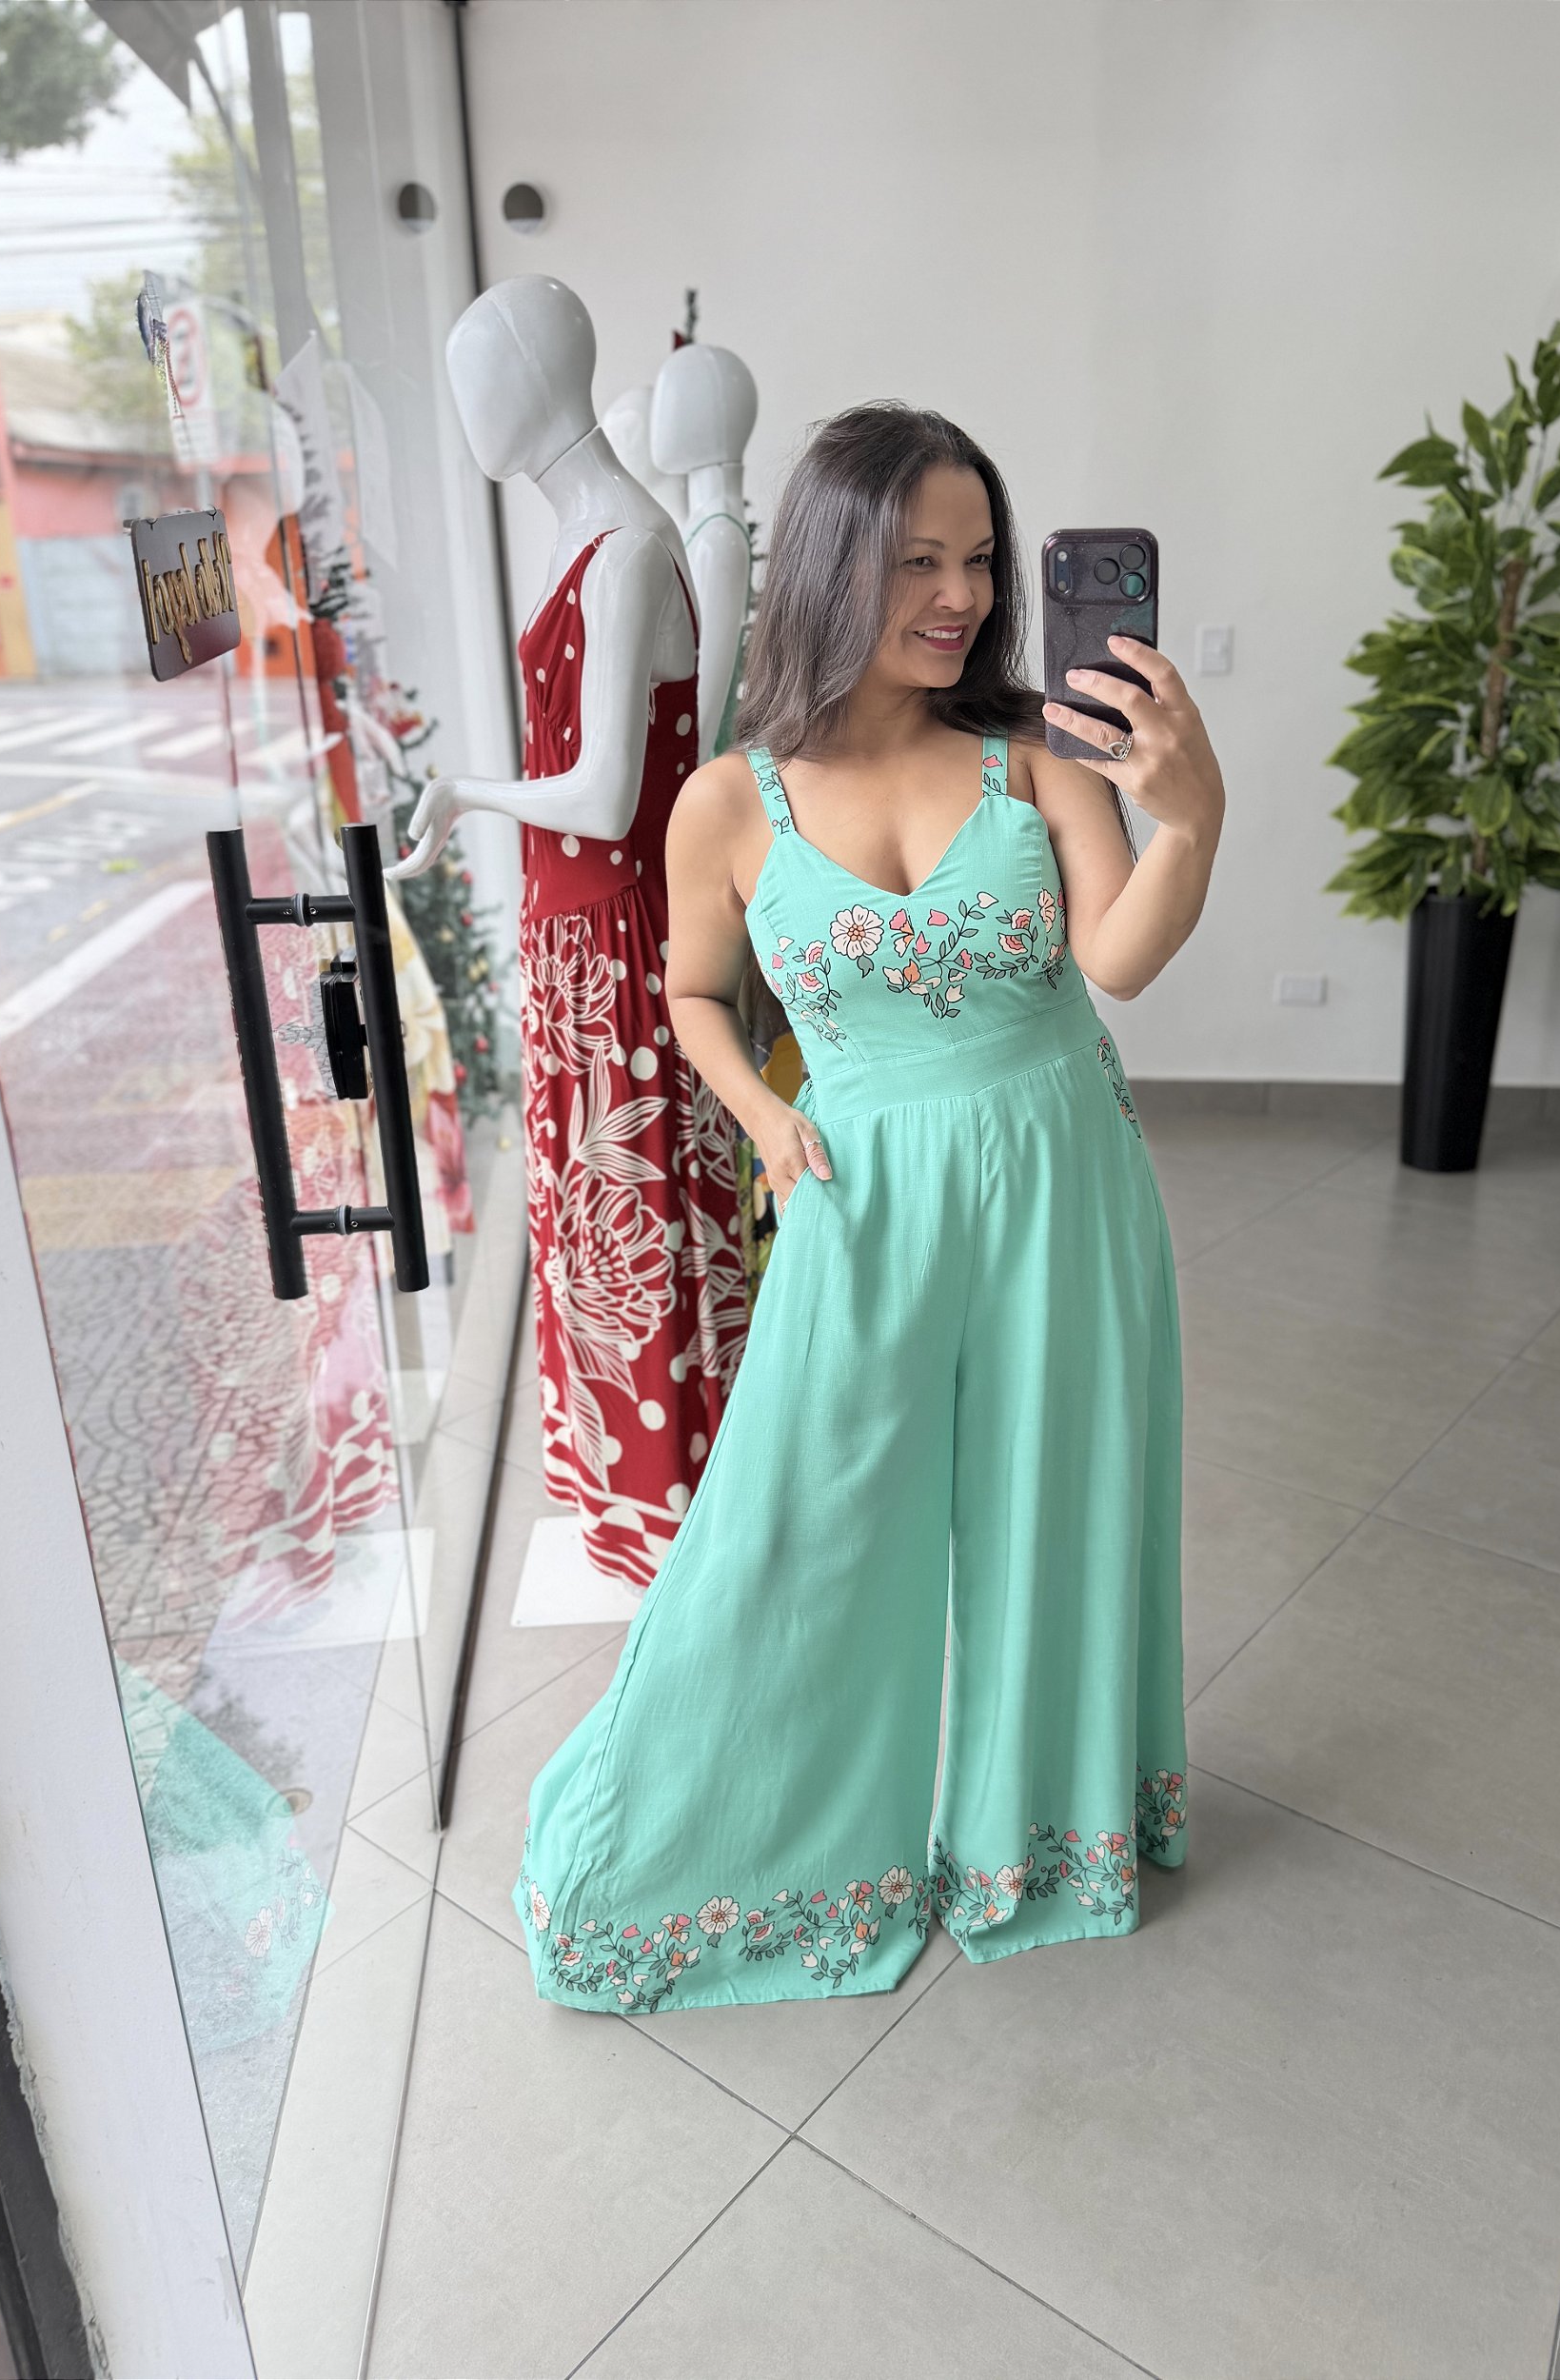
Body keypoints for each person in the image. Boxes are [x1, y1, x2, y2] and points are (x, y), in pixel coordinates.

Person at [510, 402, 1226, 2014]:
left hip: (1060, 1183)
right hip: (860, 1197)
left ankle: (1035, 1838)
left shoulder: (1040, 752)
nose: (961, 595)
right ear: (835, 566)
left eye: (978, 560)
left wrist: (1194, 816)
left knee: (1053, 1506)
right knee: (803, 1521)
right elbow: (696, 995)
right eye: (917, 561)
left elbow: (1119, 960)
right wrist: (764, 1112)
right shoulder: (730, 801)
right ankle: (728, 1829)